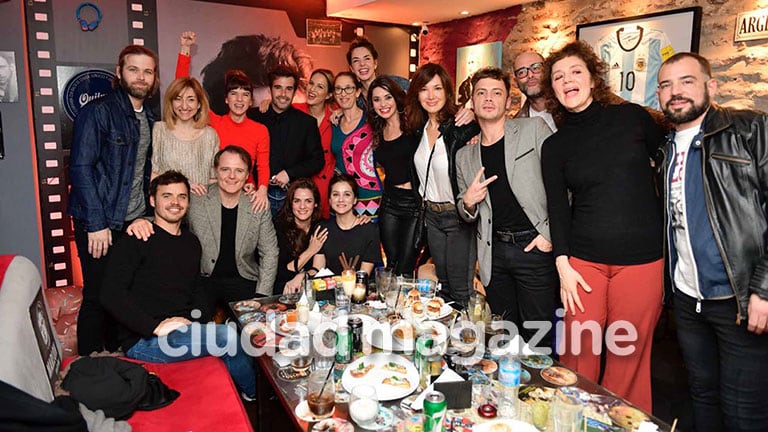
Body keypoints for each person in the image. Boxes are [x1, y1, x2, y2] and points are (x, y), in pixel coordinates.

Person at [540, 41, 665, 411]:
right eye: (558, 77)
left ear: (593, 79)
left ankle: (617, 420)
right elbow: (558, 210)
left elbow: (670, 161)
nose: (567, 81)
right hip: (583, 264)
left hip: (642, 262)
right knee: (579, 352)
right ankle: (574, 418)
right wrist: (563, 265)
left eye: (575, 72)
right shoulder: (555, 145)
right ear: (553, 90)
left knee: (628, 358)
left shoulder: (633, 119)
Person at [656, 52, 768, 431]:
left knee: (743, 411)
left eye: (686, 81)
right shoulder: (665, 147)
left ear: (710, 86)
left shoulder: (750, 130)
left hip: (739, 299)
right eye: (667, 85)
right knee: (701, 396)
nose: (676, 93)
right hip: (688, 300)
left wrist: (764, 290)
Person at [100, 170, 256, 399]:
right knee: (228, 337)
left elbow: (195, 290)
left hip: (182, 333)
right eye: (167, 196)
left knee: (240, 332)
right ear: (152, 200)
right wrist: (155, 327)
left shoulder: (191, 242)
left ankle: (247, 393)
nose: (175, 202)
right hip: (145, 341)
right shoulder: (136, 238)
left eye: (182, 196)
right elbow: (110, 294)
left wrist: (195, 321)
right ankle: (257, 397)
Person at [455, 67, 557, 350]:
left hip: (533, 247)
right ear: (472, 103)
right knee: (505, 332)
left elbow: (564, 184)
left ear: (509, 102)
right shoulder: (464, 156)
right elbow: (465, 213)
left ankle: (539, 391)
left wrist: (549, 233)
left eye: (496, 93)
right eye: (481, 93)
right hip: (494, 254)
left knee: (538, 335)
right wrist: (467, 202)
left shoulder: (533, 130)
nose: (488, 99)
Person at [68, 45, 159, 355]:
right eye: (134, 69)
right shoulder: (98, 111)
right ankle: (90, 366)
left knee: (121, 293)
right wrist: (96, 223)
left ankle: (118, 357)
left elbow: (140, 173)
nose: (141, 77)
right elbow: (81, 168)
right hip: (100, 221)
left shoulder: (148, 116)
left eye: (148, 71)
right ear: (119, 73)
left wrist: (143, 216)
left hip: (132, 220)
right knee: (96, 295)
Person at [404, 63, 480, 308]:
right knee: (443, 286)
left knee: (460, 289)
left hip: (457, 216)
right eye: (424, 89)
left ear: (447, 91)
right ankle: (448, 342)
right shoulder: (418, 130)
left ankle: (468, 341)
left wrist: (475, 115)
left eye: (437, 88)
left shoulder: (461, 127)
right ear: (417, 94)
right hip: (432, 217)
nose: (431, 95)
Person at [176, 32, 270, 211]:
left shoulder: (260, 130)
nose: (239, 100)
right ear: (226, 99)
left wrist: (261, 190)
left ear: (251, 101)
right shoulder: (214, 122)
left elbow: (263, 166)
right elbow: (181, 88)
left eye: (245, 95)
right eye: (234, 94)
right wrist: (185, 50)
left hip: (245, 195)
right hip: (214, 194)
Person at [187, 146, 278, 310]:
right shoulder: (196, 199)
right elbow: (167, 218)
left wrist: (262, 295)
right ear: (215, 171)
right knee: (195, 330)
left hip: (244, 280)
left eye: (239, 171)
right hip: (203, 280)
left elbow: (270, 252)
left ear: (248, 174)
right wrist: (142, 222)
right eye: (225, 169)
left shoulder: (258, 205)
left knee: (251, 331)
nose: (231, 176)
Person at [247, 66, 324, 217]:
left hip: (291, 198)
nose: (283, 94)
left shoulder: (306, 123)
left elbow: (317, 161)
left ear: (295, 91)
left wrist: (289, 173)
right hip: (255, 195)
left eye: (288, 89)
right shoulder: (253, 116)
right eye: (278, 88)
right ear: (270, 90)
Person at [368, 76, 420, 275]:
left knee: (406, 266)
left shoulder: (414, 122)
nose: (383, 104)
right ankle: (391, 305)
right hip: (390, 202)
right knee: (391, 263)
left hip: (414, 204)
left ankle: (406, 304)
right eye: (377, 99)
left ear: (396, 97)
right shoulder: (378, 129)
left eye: (387, 97)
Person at [151, 77, 218, 195]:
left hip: (201, 205)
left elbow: (214, 179)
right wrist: (185, 186)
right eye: (178, 99)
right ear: (171, 102)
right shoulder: (159, 130)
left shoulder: (210, 135)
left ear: (199, 104)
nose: (184, 106)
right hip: (168, 205)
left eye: (191, 99)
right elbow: (154, 174)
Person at [331, 72, 382, 220]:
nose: (343, 93)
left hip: (370, 197)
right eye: (338, 89)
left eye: (348, 88)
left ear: (358, 92)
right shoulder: (333, 122)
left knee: (368, 240)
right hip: (341, 199)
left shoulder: (372, 120)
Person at [312, 174, 382, 276]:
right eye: (335, 194)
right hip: (329, 288)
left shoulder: (370, 230)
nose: (341, 199)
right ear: (330, 200)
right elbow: (318, 271)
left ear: (354, 199)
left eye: (347, 194)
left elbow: (363, 276)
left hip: (359, 289)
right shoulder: (322, 229)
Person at [295, 69, 336, 218]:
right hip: (300, 187)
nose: (312, 89)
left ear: (329, 94)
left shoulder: (337, 116)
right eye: (311, 83)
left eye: (320, 86)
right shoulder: (294, 110)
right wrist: (267, 103)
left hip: (327, 189)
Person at [274, 179, 327, 294]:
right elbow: (282, 272)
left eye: (308, 201)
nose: (302, 206)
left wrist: (303, 275)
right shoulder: (278, 228)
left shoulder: (320, 227)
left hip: (309, 287)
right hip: (283, 289)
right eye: (297, 201)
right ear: (291, 204)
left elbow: (319, 268)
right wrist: (311, 250)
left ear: (315, 203)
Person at [346, 37, 409, 105]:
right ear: (352, 68)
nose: (362, 64)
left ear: (375, 63)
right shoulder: (355, 99)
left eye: (367, 59)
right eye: (356, 60)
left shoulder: (397, 84)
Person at [511, 51, 556, 132]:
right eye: (522, 72)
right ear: (516, 81)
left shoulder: (568, 108)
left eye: (535, 68)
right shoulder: (517, 126)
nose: (530, 75)